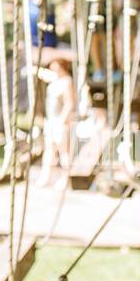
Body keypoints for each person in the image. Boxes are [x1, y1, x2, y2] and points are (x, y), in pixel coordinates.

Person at [40, 57, 77, 185]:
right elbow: (43, 73)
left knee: (63, 151)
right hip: (51, 120)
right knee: (49, 149)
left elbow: (70, 103)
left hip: (60, 120)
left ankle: (64, 179)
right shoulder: (55, 80)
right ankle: (45, 177)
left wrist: (62, 120)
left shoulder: (67, 81)